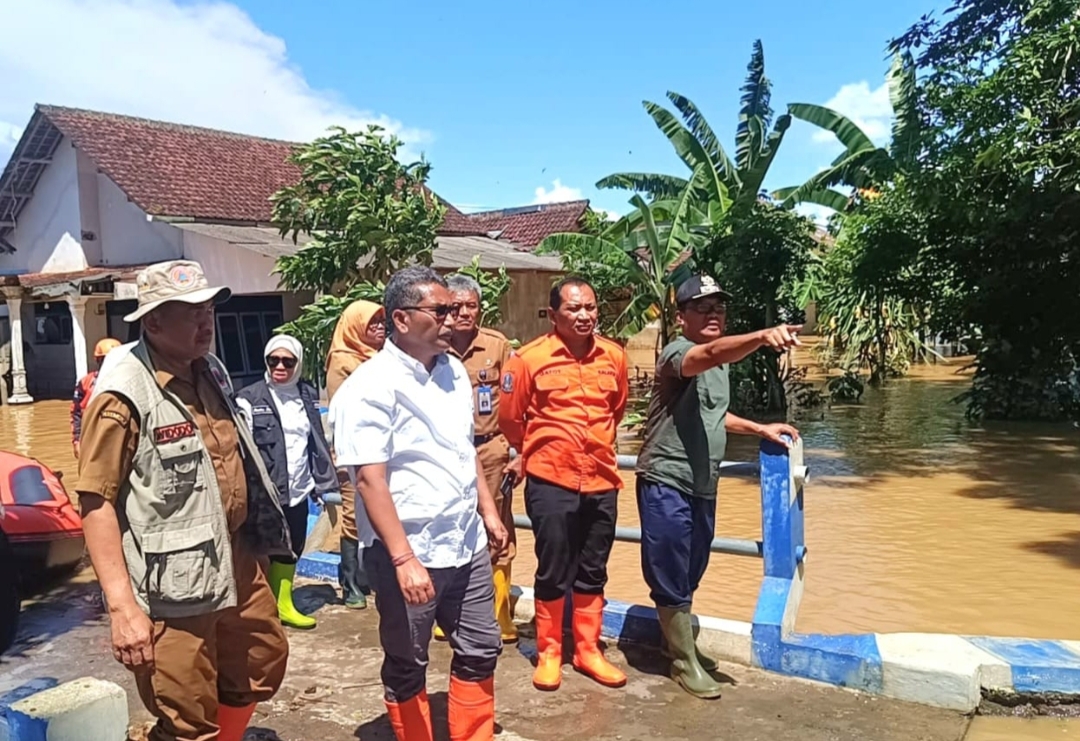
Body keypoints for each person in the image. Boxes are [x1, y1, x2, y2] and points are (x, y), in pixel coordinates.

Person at [76, 260, 292, 741]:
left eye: (209, 310)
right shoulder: (122, 394)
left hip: (234, 555)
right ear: (153, 322)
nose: (205, 322)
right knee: (186, 707)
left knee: (258, 664)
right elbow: (95, 503)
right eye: (190, 312)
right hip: (172, 581)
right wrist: (122, 609)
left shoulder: (210, 370)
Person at [330, 266, 509, 741]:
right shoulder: (368, 387)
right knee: (409, 658)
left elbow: (463, 448)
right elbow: (369, 480)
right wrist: (404, 559)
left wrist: (488, 512)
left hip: (464, 542)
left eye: (455, 308)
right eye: (442, 310)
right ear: (402, 320)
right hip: (409, 551)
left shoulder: (452, 370)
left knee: (480, 646)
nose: (454, 318)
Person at [635, 274, 801, 699]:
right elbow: (705, 353)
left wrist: (758, 427)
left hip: (703, 482)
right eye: (702, 307)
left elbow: (716, 414)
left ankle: (673, 640)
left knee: (693, 567)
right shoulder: (679, 353)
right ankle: (681, 661)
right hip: (667, 478)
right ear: (681, 317)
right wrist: (763, 336)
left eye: (719, 307)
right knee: (670, 570)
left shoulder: (720, 365)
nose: (713, 314)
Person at [498, 277, 629, 692]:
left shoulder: (614, 356)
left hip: (601, 478)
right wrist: (540, 448)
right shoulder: (528, 360)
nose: (584, 315)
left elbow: (617, 409)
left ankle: (588, 650)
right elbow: (509, 418)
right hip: (550, 478)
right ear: (554, 315)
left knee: (594, 567)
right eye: (574, 309)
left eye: (590, 308)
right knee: (553, 567)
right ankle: (550, 651)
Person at [431, 274, 517, 644]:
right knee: (448, 522)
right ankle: (447, 610)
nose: (464, 313)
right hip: (446, 450)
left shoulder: (497, 346)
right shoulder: (433, 346)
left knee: (497, 525)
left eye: (471, 305)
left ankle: (500, 613)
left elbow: (518, 402)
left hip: (491, 447)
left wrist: (519, 450)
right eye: (456, 306)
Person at [237, 335, 339, 629]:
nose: (280, 366)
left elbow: (316, 441)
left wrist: (324, 482)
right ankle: (261, 607)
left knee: (293, 545)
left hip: (299, 488)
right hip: (266, 491)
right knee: (262, 548)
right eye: (274, 360)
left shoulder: (306, 395)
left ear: (298, 363)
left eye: (288, 361)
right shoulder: (249, 398)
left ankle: (283, 604)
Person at [325, 299, 386, 609]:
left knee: (377, 513)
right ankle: (349, 583)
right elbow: (347, 408)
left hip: (381, 449)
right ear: (355, 326)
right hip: (353, 452)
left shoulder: (382, 356)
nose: (379, 327)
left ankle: (368, 576)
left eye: (381, 321)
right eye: (371, 322)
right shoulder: (343, 360)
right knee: (352, 514)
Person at [71, 337, 122, 458]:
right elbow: (76, 413)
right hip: (92, 439)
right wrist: (77, 441)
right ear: (98, 361)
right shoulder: (85, 382)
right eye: (105, 360)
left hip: (120, 439)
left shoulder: (130, 381)